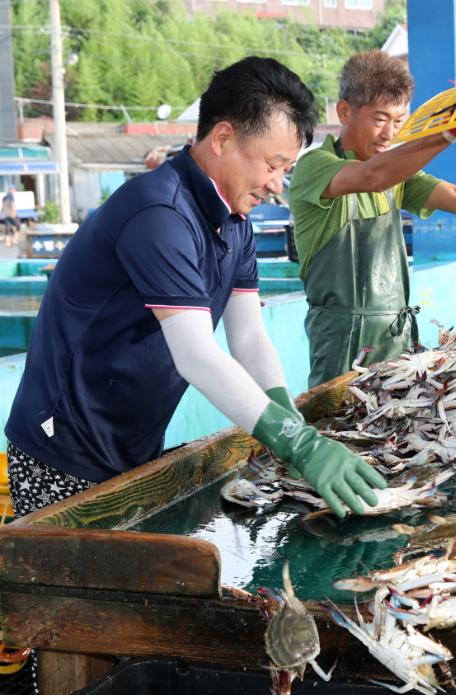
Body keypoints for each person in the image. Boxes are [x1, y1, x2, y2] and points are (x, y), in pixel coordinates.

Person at [4, 57, 387, 522]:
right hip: (62, 448)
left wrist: (287, 415)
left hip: (133, 443)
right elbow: (196, 354)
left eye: (285, 169)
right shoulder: (159, 213)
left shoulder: (236, 222)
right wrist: (299, 444)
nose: (276, 184)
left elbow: (247, 335)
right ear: (223, 138)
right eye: (272, 164)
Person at [289, 50, 456, 388]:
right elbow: (372, 177)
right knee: (340, 428)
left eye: (399, 121)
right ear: (344, 111)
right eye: (379, 119)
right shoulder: (315, 166)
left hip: (397, 339)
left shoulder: (397, 175)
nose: (389, 133)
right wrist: (446, 134)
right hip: (341, 341)